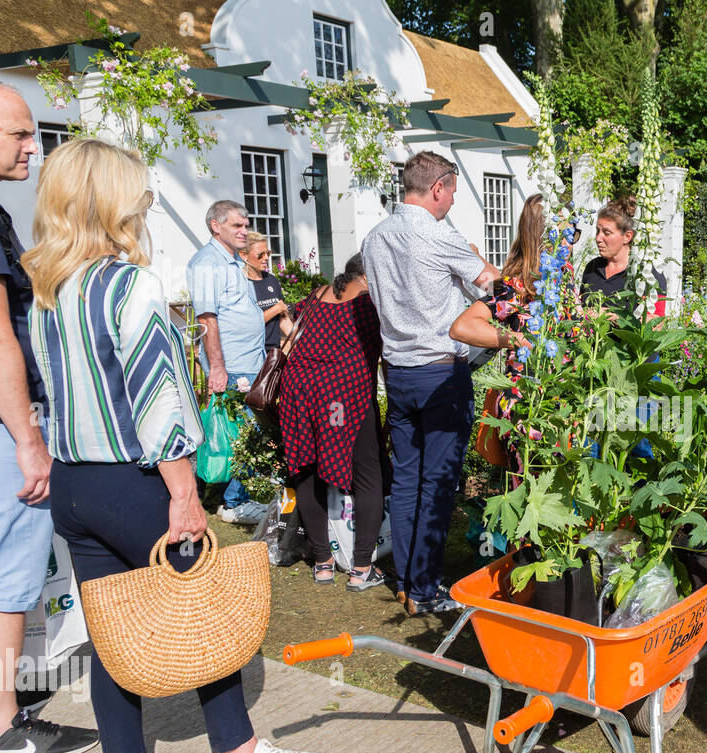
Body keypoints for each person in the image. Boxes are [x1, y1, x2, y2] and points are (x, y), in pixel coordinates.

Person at [23, 138, 325, 753]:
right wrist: (185, 496)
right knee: (203, 604)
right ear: (113, 204)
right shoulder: (127, 286)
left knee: (112, 629)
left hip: (73, 484)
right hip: (134, 479)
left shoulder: (47, 289)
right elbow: (159, 403)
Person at [0, 78, 99, 753]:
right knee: (6, 580)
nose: (35, 146)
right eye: (19, 134)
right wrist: (30, 439)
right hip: (2, 427)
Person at [362, 151, 498, 616]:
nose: (454, 202)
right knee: (438, 483)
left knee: (405, 480)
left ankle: (407, 581)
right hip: (440, 372)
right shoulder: (439, 234)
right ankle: (423, 589)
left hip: (397, 374)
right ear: (437, 187)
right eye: (454, 192)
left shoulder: (374, 238)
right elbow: (492, 286)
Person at [280, 254, 388, 591]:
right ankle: (361, 569)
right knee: (369, 477)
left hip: (299, 392)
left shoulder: (318, 294)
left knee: (306, 473)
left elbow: (289, 321)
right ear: (369, 274)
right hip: (345, 399)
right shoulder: (369, 302)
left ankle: (323, 563)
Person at [187, 199, 267, 525]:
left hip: (249, 360)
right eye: (237, 225)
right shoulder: (208, 262)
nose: (244, 231)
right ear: (215, 226)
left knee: (242, 432)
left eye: (246, 225)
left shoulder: (233, 260)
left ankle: (225, 496)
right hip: (233, 364)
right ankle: (234, 503)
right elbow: (208, 319)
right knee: (241, 434)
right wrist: (218, 368)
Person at [449, 195, 537, 477]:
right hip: (527, 408)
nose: (574, 240)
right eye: (570, 233)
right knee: (529, 497)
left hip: (563, 404)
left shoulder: (563, 281)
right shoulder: (516, 286)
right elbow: (463, 326)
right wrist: (516, 339)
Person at [580, 197, 667, 317]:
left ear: (627, 236)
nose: (598, 238)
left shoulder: (648, 273)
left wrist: (606, 316)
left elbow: (656, 324)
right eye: (597, 231)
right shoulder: (592, 268)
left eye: (607, 233)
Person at [240, 231, 292, 354]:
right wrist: (276, 309)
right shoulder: (239, 284)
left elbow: (283, 320)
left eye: (268, 253)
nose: (266, 258)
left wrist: (301, 340)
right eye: (260, 255)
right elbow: (246, 325)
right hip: (251, 354)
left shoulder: (271, 280)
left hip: (273, 354)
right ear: (244, 255)